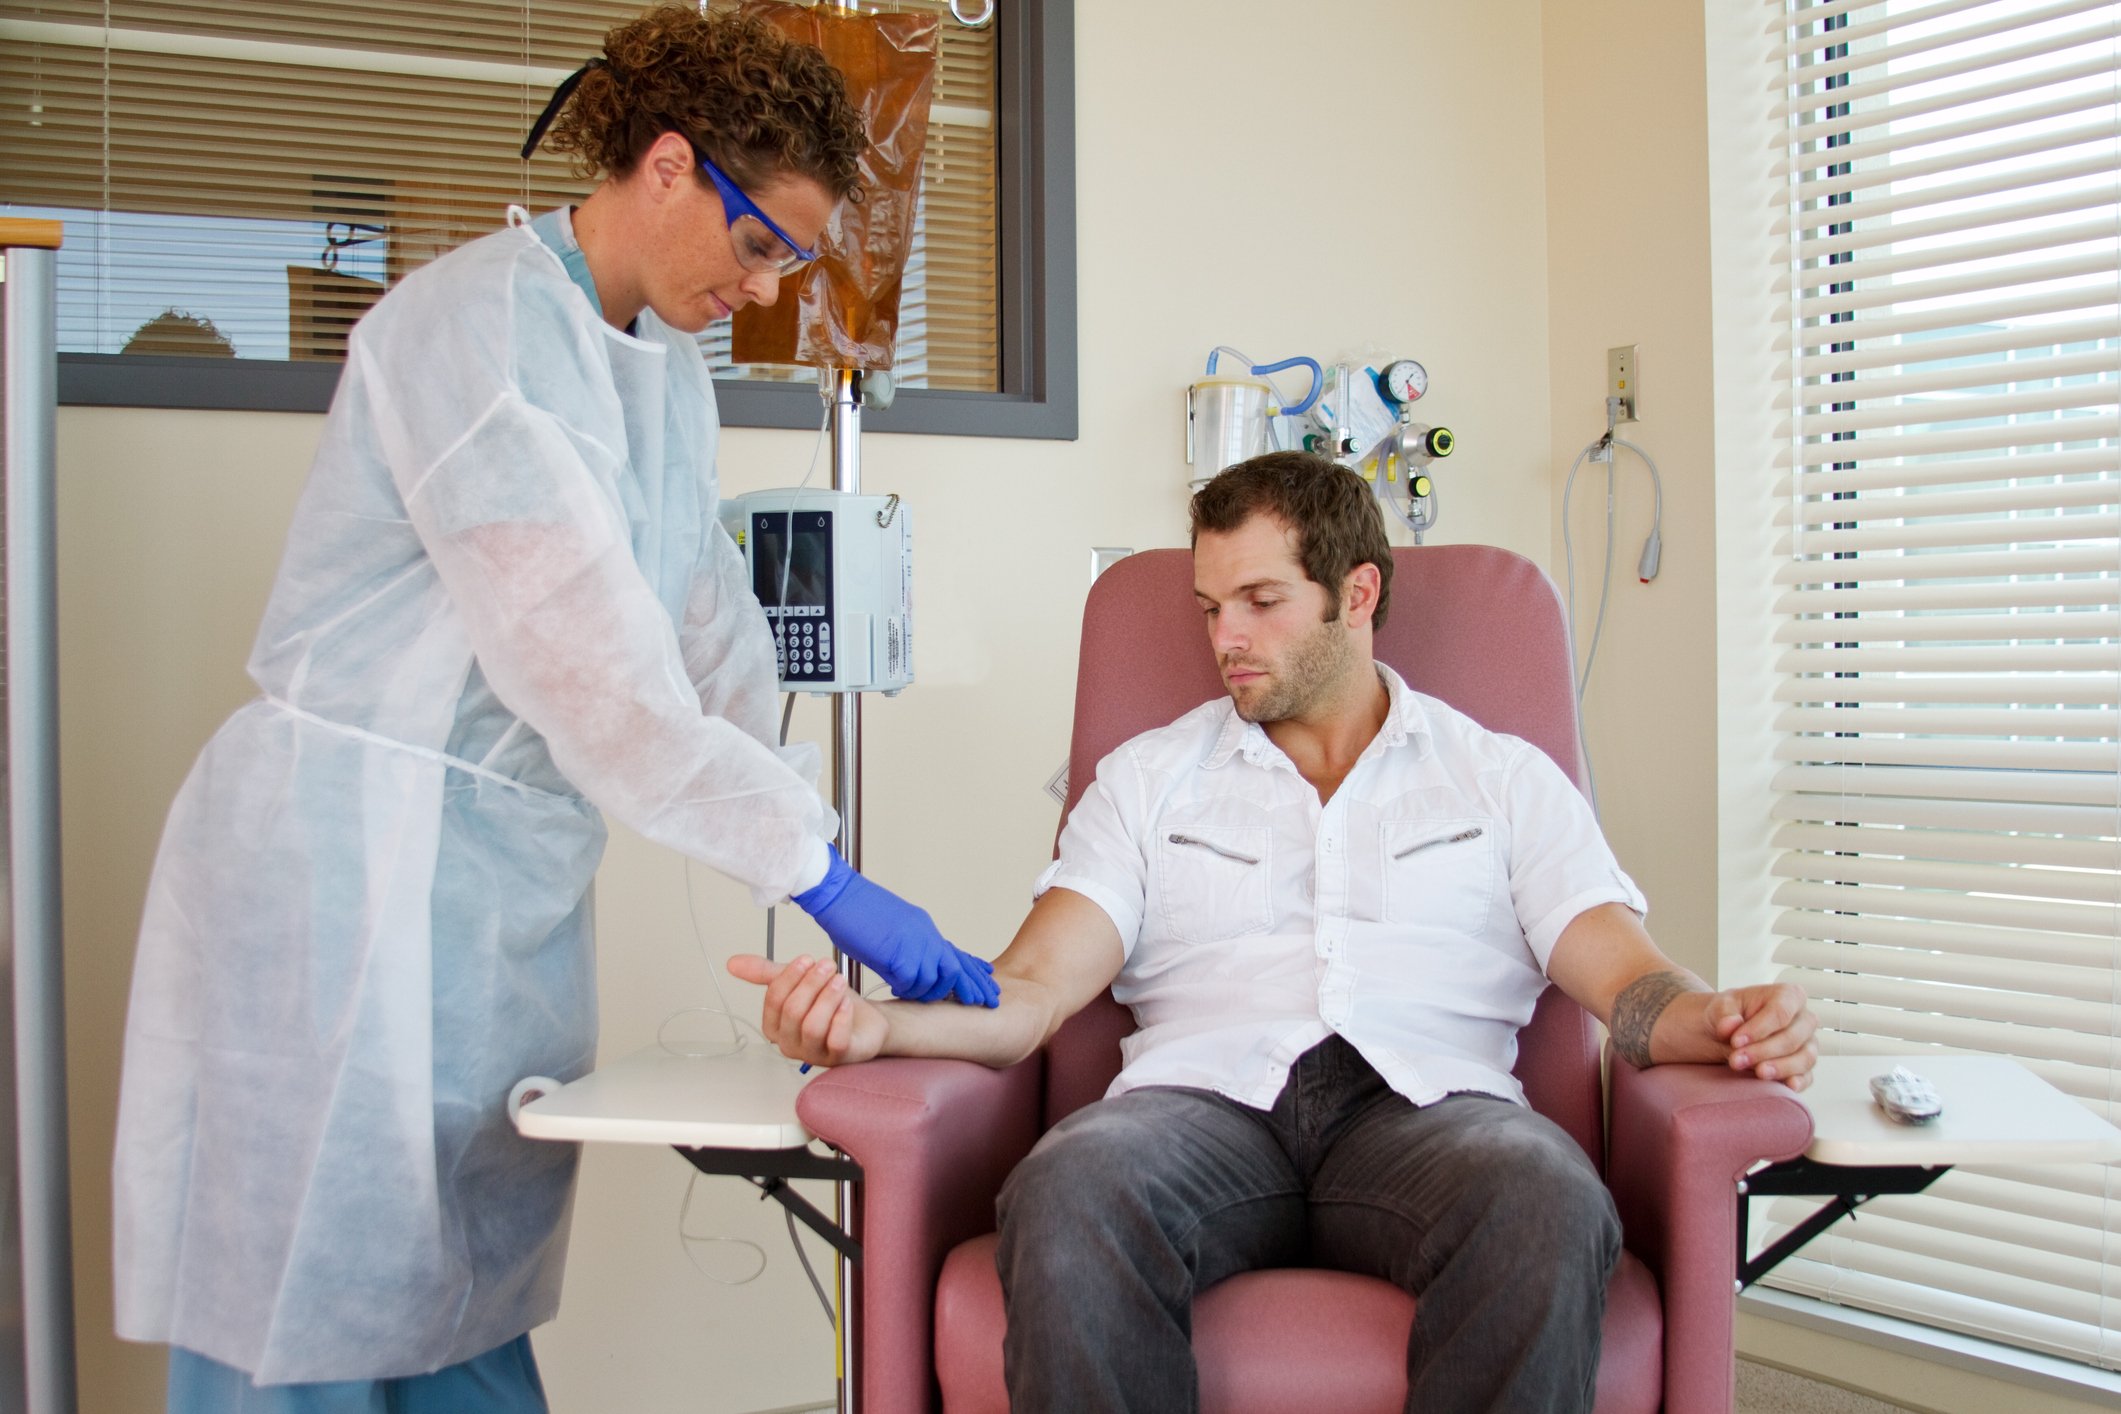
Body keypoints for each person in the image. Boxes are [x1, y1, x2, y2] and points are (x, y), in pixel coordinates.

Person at [111, 9, 994, 1411]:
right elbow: (596, 672)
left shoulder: (660, 378)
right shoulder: (476, 335)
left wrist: (809, 854)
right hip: (347, 862)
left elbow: (710, 642)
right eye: (762, 242)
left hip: (493, 885)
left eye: (796, 262)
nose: (766, 291)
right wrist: (818, 873)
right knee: (313, 1285)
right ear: (664, 163)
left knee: (451, 1275)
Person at [733, 451, 1820, 1412]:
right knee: (1071, 1185)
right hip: (1197, 1114)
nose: (1226, 638)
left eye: (1259, 600)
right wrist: (881, 1030)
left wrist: (1718, 1019)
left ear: (1357, 594)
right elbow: (1030, 993)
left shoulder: (1497, 778)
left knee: (1544, 1200)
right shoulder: (1151, 779)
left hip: (1432, 1119)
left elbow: (1626, 982)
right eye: (1211, 607)